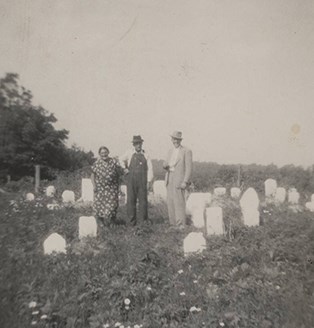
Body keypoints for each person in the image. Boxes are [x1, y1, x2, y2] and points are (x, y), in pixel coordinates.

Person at [120, 135, 153, 225]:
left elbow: (150, 168)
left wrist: (149, 181)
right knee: (131, 200)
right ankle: (131, 222)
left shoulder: (146, 154)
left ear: (142, 144)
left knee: (143, 201)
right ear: (133, 145)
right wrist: (124, 168)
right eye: (136, 144)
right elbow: (120, 159)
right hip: (131, 180)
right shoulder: (129, 153)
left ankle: (143, 221)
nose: (138, 145)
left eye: (139, 143)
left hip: (142, 180)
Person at [163, 131, 193, 229]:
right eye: (174, 139)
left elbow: (189, 168)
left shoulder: (186, 151)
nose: (175, 141)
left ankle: (181, 224)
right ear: (171, 140)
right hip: (169, 176)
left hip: (179, 179)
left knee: (179, 202)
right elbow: (165, 162)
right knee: (170, 201)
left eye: (177, 139)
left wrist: (185, 181)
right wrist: (165, 165)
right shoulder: (169, 151)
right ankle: (173, 224)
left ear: (180, 140)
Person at [91, 146, 124, 226]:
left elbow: (118, 174)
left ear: (108, 152)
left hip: (112, 188)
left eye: (105, 152)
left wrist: (119, 186)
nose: (104, 154)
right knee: (99, 205)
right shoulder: (96, 163)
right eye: (102, 153)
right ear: (99, 154)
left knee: (113, 205)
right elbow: (92, 175)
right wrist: (94, 186)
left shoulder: (113, 162)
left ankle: (113, 222)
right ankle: (101, 222)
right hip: (100, 188)